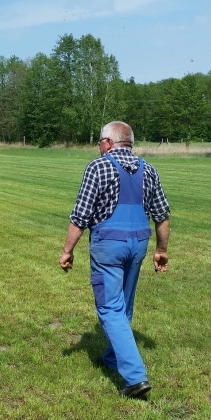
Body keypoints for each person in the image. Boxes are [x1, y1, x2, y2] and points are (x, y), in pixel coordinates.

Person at [59, 121, 170, 398]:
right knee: (124, 305)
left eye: (99, 142)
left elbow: (80, 215)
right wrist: (162, 250)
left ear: (108, 142)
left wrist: (67, 251)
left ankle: (135, 378)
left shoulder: (98, 167)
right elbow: (162, 214)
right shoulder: (150, 170)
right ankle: (112, 357)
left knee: (109, 308)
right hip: (138, 245)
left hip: (109, 246)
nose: (99, 147)